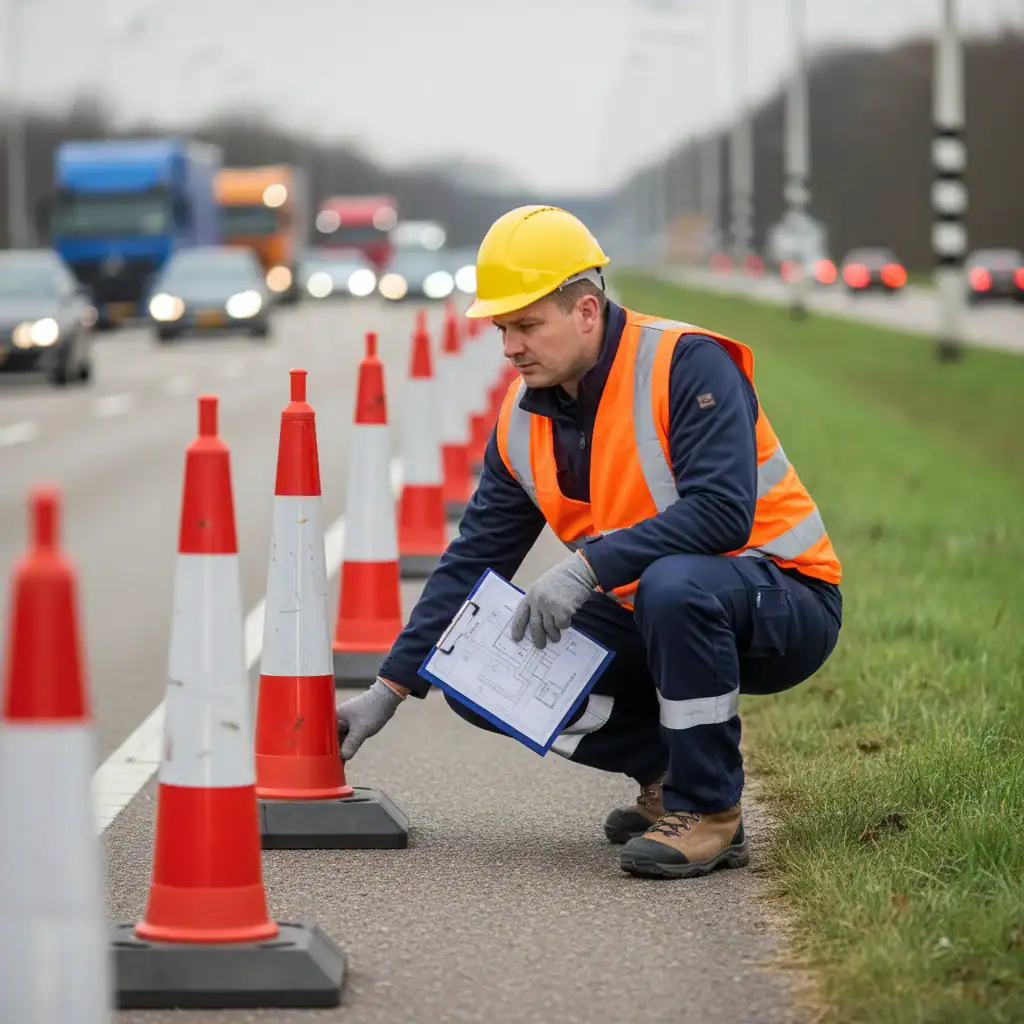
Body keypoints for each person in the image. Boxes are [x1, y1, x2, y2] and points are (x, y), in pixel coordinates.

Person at [335, 205, 843, 880]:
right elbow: (472, 561)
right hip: (658, 614)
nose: (510, 346)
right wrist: (390, 688)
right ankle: (665, 772)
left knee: (673, 585)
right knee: (480, 656)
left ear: (585, 309)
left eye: (526, 324)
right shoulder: (522, 422)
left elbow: (722, 514)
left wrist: (586, 569)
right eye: (501, 328)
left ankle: (713, 811)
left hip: (782, 600)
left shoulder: (686, 364)